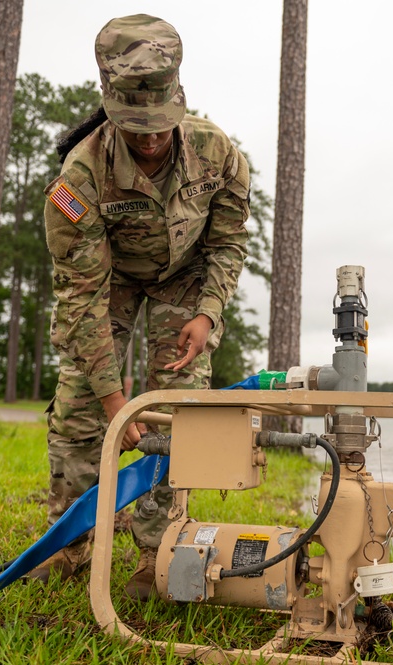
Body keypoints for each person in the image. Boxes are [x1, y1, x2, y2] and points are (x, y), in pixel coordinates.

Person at [28, 14, 250, 601]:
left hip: (185, 281)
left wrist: (207, 315)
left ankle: (159, 550)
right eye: (136, 129)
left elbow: (228, 243)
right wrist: (112, 400)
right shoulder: (81, 177)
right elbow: (81, 297)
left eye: (160, 127)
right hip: (110, 284)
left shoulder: (218, 153)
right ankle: (68, 542)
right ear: (111, 109)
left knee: (175, 413)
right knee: (79, 405)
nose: (150, 140)